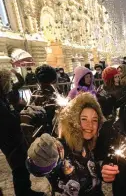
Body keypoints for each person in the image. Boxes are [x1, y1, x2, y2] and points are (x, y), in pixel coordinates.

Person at [26, 92, 105, 195]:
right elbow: (39, 166)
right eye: (84, 119)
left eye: (95, 120)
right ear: (73, 121)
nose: (90, 124)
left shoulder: (89, 146)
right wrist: (39, 156)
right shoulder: (61, 148)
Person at [0, 68, 44, 196]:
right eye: (8, 80)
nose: (10, 83)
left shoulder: (3, 97)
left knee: (22, 167)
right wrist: (20, 112)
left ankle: (26, 190)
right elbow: (9, 120)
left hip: (13, 139)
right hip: (9, 142)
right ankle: (23, 193)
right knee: (19, 168)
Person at [26, 64, 58, 136]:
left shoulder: (35, 93)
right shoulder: (54, 95)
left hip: (38, 132)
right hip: (50, 131)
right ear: (53, 80)